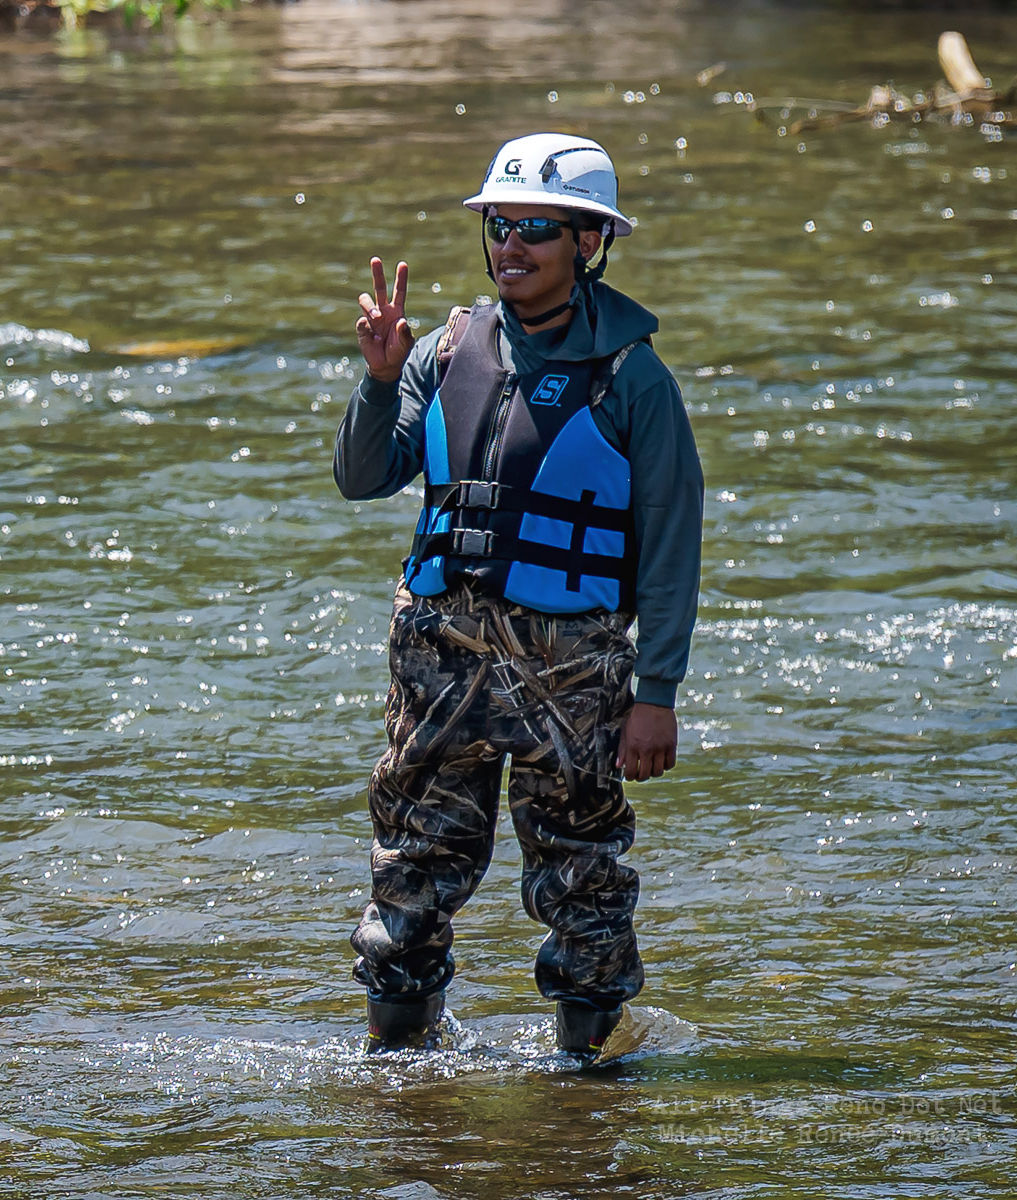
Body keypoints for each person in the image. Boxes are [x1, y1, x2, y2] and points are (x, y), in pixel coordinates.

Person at [332, 133, 702, 1061]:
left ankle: (589, 1084)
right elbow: (363, 477)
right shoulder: (445, 350)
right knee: (411, 866)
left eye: (538, 228)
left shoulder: (634, 378)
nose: (512, 245)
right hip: (439, 663)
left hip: (572, 674)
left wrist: (656, 693)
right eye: (500, 224)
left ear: (589, 242)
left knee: (583, 878)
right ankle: (400, 1076)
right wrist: (380, 381)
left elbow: (671, 546)